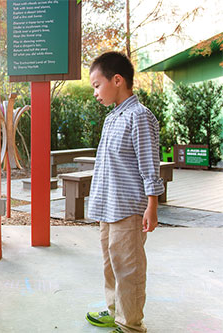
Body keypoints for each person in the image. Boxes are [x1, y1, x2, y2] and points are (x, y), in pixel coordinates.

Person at [85, 52, 164, 333]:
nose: (95, 92)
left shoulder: (139, 117)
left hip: (129, 209)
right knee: (111, 264)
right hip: (109, 207)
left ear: (117, 80)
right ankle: (114, 311)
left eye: (97, 85)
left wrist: (152, 206)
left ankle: (130, 325)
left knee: (128, 269)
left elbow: (149, 165)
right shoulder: (112, 118)